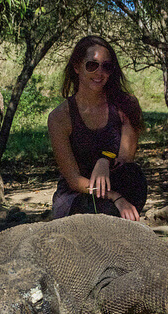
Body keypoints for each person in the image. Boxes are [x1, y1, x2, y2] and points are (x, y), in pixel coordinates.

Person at [48, 36, 147, 220]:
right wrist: (115, 197)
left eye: (106, 66)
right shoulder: (59, 117)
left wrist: (105, 161)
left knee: (134, 176)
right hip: (78, 195)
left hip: (113, 182)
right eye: (92, 65)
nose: (99, 73)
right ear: (77, 67)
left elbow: (126, 160)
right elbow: (74, 180)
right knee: (104, 211)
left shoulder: (126, 106)